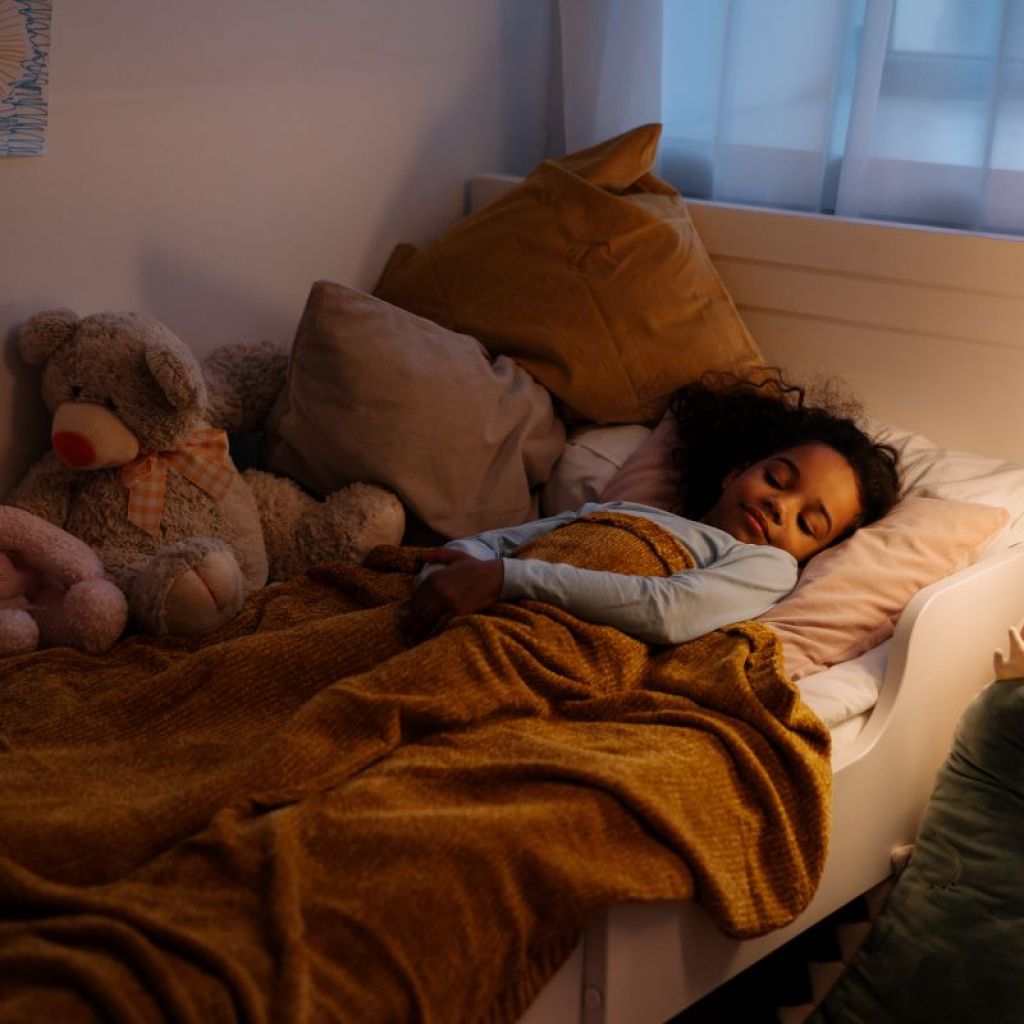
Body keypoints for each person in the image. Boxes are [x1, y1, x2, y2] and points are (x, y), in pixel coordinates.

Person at [407, 369, 901, 646]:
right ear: (735, 473)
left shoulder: (767, 565)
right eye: (777, 479)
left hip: (537, 640)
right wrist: (453, 570)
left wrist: (505, 579)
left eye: (807, 523)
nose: (779, 506)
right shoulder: (624, 509)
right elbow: (507, 542)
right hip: (468, 616)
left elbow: (669, 611)